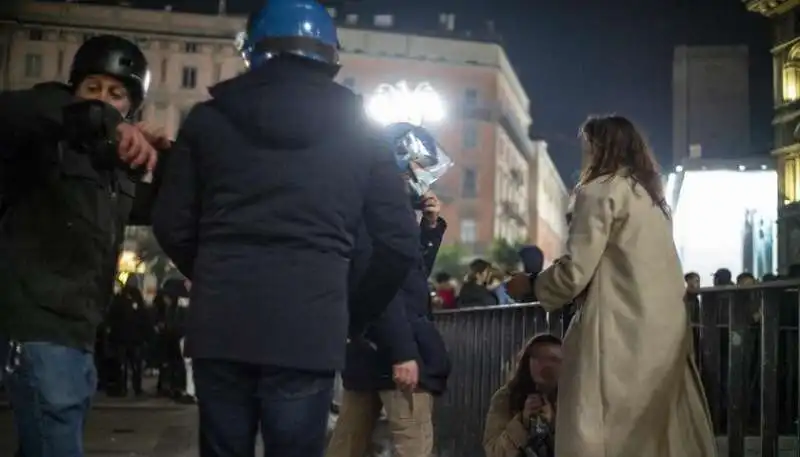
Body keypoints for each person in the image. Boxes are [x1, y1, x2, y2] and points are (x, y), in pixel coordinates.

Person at [150, 1, 420, 456]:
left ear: (253, 50)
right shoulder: (362, 134)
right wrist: (356, 313)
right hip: (310, 326)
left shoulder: (208, 119)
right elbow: (397, 241)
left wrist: (216, 268)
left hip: (222, 321)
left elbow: (170, 222)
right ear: (330, 55)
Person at [0, 35, 170, 456]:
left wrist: (164, 157)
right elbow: (15, 112)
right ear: (73, 89)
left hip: (80, 331)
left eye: (117, 94)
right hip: (38, 325)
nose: (103, 99)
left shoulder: (114, 172)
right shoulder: (43, 137)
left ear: (133, 106)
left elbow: (163, 208)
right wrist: (100, 119)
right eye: (91, 88)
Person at [507, 115, 716, 457]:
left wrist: (530, 286)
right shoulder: (649, 198)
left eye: (587, 146)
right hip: (665, 331)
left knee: (603, 428)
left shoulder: (600, 191)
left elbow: (575, 270)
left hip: (617, 331)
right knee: (657, 431)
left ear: (598, 146)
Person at [327, 123, 452, 457]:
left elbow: (409, 275)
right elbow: (386, 286)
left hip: (370, 352)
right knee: (412, 443)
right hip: (394, 349)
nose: (423, 177)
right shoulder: (377, 214)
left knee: (347, 443)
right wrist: (402, 352)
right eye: (417, 168)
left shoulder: (366, 206)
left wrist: (428, 229)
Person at [483, 334, 562, 457]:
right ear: (527, 361)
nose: (546, 365)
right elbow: (494, 452)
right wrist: (522, 422)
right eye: (539, 357)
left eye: (554, 359)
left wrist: (553, 424)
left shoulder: (573, 399)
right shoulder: (505, 398)